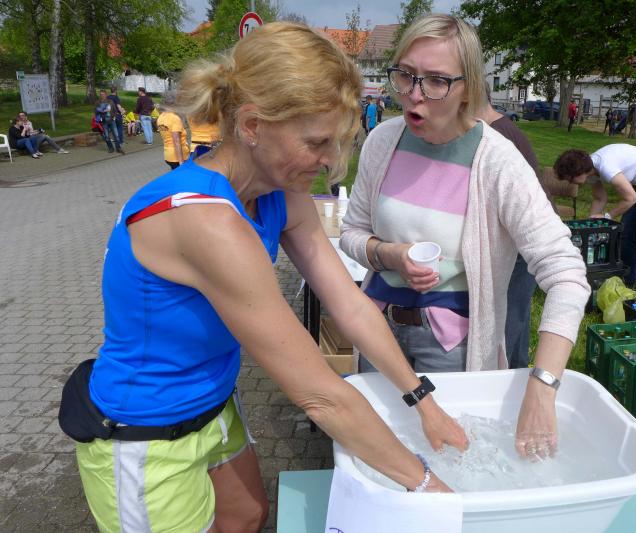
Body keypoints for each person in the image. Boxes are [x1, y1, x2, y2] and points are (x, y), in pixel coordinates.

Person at [67, 23, 467, 533]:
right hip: (145, 429)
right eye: (317, 142)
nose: (331, 162)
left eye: (338, 142)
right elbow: (320, 395)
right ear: (253, 125)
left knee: (248, 515)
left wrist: (422, 399)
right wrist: (431, 488)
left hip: (214, 402)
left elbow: (350, 305)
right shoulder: (205, 221)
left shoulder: (278, 191)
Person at [340, 14, 590, 460]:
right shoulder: (383, 141)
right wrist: (388, 254)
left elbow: (566, 273)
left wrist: (543, 385)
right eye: (406, 75)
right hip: (378, 329)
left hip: (452, 346)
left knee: (450, 460)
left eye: (437, 81)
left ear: (468, 88)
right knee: (381, 455)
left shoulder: (497, 162)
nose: (414, 94)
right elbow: (352, 232)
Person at [475, 83, 552, 370]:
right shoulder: (500, 127)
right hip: (519, 236)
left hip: (522, 238)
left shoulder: (495, 134)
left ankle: (504, 376)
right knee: (517, 310)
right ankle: (517, 371)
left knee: (507, 315)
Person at [553, 144, 636, 295]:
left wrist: (608, 216)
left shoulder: (606, 167)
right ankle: (627, 281)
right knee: (627, 234)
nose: (570, 182)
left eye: (570, 178)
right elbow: (600, 198)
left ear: (579, 171)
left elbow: (631, 199)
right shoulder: (591, 169)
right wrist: (591, 226)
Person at [155, 92, 189, 169]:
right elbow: (176, 141)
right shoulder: (175, 118)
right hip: (178, 157)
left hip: (168, 155)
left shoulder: (160, 118)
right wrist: (181, 162)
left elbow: (166, 135)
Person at [95, 90, 124, 154]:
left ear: (106, 95)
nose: (102, 96)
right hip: (104, 121)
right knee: (106, 136)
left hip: (112, 120)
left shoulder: (110, 101)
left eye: (103, 94)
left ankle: (118, 148)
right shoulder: (98, 102)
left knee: (116, 135)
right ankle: (110, 148)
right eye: (101, 94)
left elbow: (114, 110)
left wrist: (114, 116)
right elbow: (96, 112)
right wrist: (100, 115)